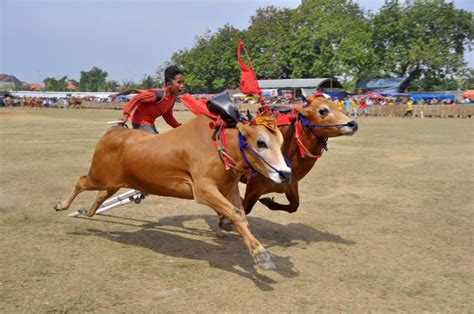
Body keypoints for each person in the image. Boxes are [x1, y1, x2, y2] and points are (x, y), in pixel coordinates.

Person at [119, 66, 185, 134]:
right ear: (169, 84)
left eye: (183, 82)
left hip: (150, 123)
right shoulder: (158, 94)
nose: (182, 86)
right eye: (179, 82)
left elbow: (168, 116)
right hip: (140, 122)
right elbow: (137, 98)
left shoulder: (172, 98)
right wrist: (125, 115)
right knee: (156, 142)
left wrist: (180, 127)